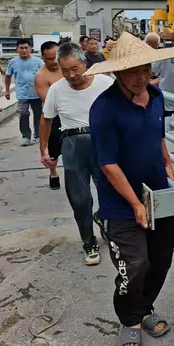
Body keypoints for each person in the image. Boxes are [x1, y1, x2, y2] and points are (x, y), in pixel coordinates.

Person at [88, 32, 174, 346]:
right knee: (135, 263)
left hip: (159, 196)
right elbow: (107, 163)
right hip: (120, 204)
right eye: (132, 72)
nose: (141, 78)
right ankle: (130, 320)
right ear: (116, 72)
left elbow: (158, 136)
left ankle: (144, 307)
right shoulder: (104, 109)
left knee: (160, 260)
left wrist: (167, 163)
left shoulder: (156, 96)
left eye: (146, 70)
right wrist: (135, 203)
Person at [40, 42, 113, 265]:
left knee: (110, 192)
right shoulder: (56, 90)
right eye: (65, 71)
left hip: (103, 142)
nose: (71, 75)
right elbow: (46, 119)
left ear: (84, 63)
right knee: (80, 199)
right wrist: (43, 148)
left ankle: (106, 223)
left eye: (75, 69)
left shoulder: (105, 83)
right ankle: (88, 242)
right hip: (72, 144)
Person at [34, 41, 64, 190]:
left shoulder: (66, 67)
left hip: (72, 113)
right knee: (53, 151)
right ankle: (53, 172)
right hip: (54, 116)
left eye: (57, 57)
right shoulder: (41, 76)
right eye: (50, 59)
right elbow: (49, 102)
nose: (54, 62)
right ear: (43, 57)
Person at [5, 39, 45, 146]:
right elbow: (8, 76)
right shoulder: (13, 62)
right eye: (21, 48)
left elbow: (45, 75)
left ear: (30, 48)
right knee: (23, 113)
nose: (24, 50)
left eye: (26, 48)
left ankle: (38, 135)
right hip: (22, 93)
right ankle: (26, 136)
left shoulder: (38, 62)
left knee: (38, 115)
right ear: (17, 49)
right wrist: (7, 90)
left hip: (36, 93)